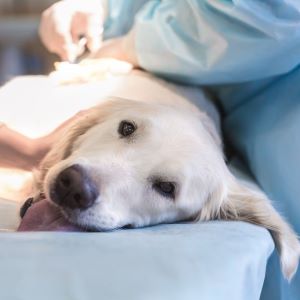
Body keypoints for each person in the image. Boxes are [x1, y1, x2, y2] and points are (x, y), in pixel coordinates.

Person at [39, 1, 300, 298]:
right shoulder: (109, 114)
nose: (83, 184)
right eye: (127, 130)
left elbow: (270, 15)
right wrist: (104, 9)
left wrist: (133, 45)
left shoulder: (217, 190)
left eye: (165, 187)